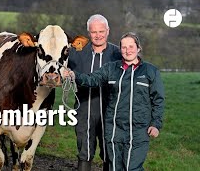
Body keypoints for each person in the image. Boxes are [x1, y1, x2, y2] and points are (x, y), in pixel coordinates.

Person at [65, 32, 165, 171]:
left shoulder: (150, 71)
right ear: (120, 49)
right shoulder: (111, 68)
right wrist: (74, 75)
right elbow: (92, 79)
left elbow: (158, 100)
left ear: (138, 48)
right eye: (123, 47)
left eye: (131, 46)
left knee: (132, 167)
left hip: (138, 129)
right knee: (114, 167)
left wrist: (155, 124)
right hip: (114, 129)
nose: (127, 50)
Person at [68, 14, 122, 171]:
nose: (98, 35)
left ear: (108, 31)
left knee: (108, 150)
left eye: (101, 31)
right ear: (88, 33)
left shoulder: (118, 54)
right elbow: (60, 69)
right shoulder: (76, 53)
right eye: (93, 32)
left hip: (110, 110)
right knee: (84, 149)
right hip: (84, 107)